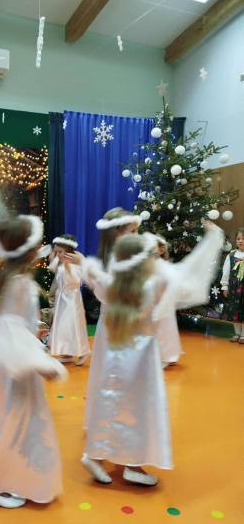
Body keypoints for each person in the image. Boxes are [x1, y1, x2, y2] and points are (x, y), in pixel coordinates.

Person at [80, 221, 224, 486]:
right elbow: (189, 274)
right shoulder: (154, 284)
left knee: (113, 405)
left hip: (116, 357)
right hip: (138, 360)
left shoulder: (114, 284)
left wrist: (87, 266)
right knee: (135, 410)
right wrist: (212, 238)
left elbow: (95, 276)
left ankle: (99, 456)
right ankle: (127, 463)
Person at [0, 215, 66, 508]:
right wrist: (39, 362)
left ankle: (5, 471)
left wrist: (34, 338)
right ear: (29, 250)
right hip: (16, 362)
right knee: (17, 418)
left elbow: (14, 323)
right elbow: (12, 327)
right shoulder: (20, 282)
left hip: (11, 358)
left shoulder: (12, 278)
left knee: (11, 417)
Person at [84, 208, 141, 429]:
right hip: (113, 326)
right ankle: (110, 423)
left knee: (128, 374)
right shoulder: (115, 260)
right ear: (117, 233)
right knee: (112, 372)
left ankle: (124, 422)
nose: (137, 236)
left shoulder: (131, 258)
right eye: (132, 231)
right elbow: (111, 295)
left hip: (129, 324)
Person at [47, 234, 90, 365]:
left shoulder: (74, 264)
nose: (58, 255)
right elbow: (53, 268)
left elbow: (76, 282)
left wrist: (68, 267)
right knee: (63, 327)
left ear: (68, 251)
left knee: (73, 326)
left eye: (60, 252)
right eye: (57, 252)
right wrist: (53, 258)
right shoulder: (60, 261)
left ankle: (83, 351)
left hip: (71, 300)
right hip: (62, 299)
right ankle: (67, 352)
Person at [154, 234, 182, 367]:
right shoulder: (148, 265)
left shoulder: (165, 265)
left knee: (166, 329)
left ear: (162, 250)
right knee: (157, 328)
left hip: (164, 301)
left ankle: (168, 355)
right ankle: (159, 354)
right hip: (154, 301)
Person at [221, 227, 244, 343]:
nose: (240, 241)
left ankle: (243, 335)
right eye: (238, 239)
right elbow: (226, 272)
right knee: (235, 311)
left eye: (243, 239)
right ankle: (237, 333)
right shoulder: (231, 255)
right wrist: (225, 286)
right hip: (235, 289)